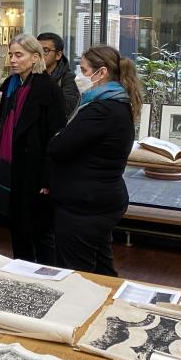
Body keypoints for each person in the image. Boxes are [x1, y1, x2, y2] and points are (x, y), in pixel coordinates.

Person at [48, 45, 141, 275]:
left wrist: (59, 137)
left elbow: (57, 147)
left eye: (84, 69)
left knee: (76, 275)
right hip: (99, 199)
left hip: (84, 205)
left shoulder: (100, 110)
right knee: (101, 270)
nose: (79, 76)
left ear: (101, 73)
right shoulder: (117, 104)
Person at [0, 34, 66, 264]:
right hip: (9, 167)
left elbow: (55, 135)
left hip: (34, 170)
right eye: (11, 54)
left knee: (39, 230)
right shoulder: (10, 85)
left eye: (19, 55)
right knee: (16, 226)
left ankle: (47, 278)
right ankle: (22, 272)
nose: (13, 60)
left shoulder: (48, 88)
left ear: (35, 57)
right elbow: (10, 122)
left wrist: (48, 178)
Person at [38, 32, 80, 118]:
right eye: (37, 50)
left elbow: (65, 110)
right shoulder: (31, 74)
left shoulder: (68, 78)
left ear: (58, 55)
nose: (40, 55)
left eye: (45, 50)